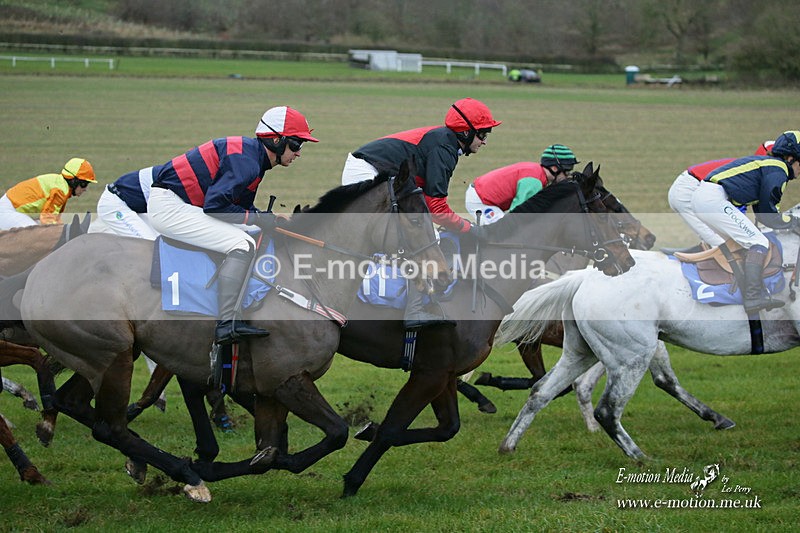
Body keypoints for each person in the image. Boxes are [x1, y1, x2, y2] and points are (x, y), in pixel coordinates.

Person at [147, 106, 318, 345]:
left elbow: (240, 209)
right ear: (277, 140)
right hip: (171, 207)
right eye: (296, 144)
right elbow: (216, 206)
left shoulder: (253, 158)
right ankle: (227, 323)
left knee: (253, 231)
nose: (298, 153)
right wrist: (258, 218)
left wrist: (267, 220)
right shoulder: (247, 162)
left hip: (182, 202)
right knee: (243, 244)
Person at [340, 97, 501, 329]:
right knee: (426, 239)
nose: (485, 141)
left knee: (423, 232)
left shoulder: (446, 142)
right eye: (483, 134)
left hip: (377, 171)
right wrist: (469, 228)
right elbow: (436, 208)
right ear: (465, 133)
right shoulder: (445, 148)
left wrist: (457, 223)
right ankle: (414, 311)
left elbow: (429, 203)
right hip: (367, 172)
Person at [688, 130, 800, 313]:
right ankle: (753, 296)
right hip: (713, 199)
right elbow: (768, 213)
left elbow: (762, 210)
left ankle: (740, 289)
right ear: (789, 158)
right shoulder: (778, 170)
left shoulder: (771, 166)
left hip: (708, 197)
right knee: (759, 242)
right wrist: (793, 222)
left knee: (745, 243)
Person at [668, 141, 775, 249]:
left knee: (730, 242)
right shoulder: (751, 173)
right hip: (689, 191)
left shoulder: (750, 169)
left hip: (689, 188)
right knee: (726, 245)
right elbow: (736, 206)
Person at [465, 144, 579, 225]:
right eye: (566, 172)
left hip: (482, 196)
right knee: (504, 230)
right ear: (555, 168)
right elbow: (517, 215)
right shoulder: (534, 181)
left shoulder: (537, 173)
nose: (567, 177)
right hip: (480, 201)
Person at [0, 158, 95, 230]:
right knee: (35, 235)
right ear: (74, 181)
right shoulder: (60, 191)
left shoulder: (60, 184)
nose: (85, 189)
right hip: (8, 211)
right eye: (84, 184)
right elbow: (47, 220)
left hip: (11, 208)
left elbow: (54, 219)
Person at [88, 167, 159, 240]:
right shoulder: (168, 175)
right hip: (116, 204)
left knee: (159, 240)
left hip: (133, 205)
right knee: (149, 244)